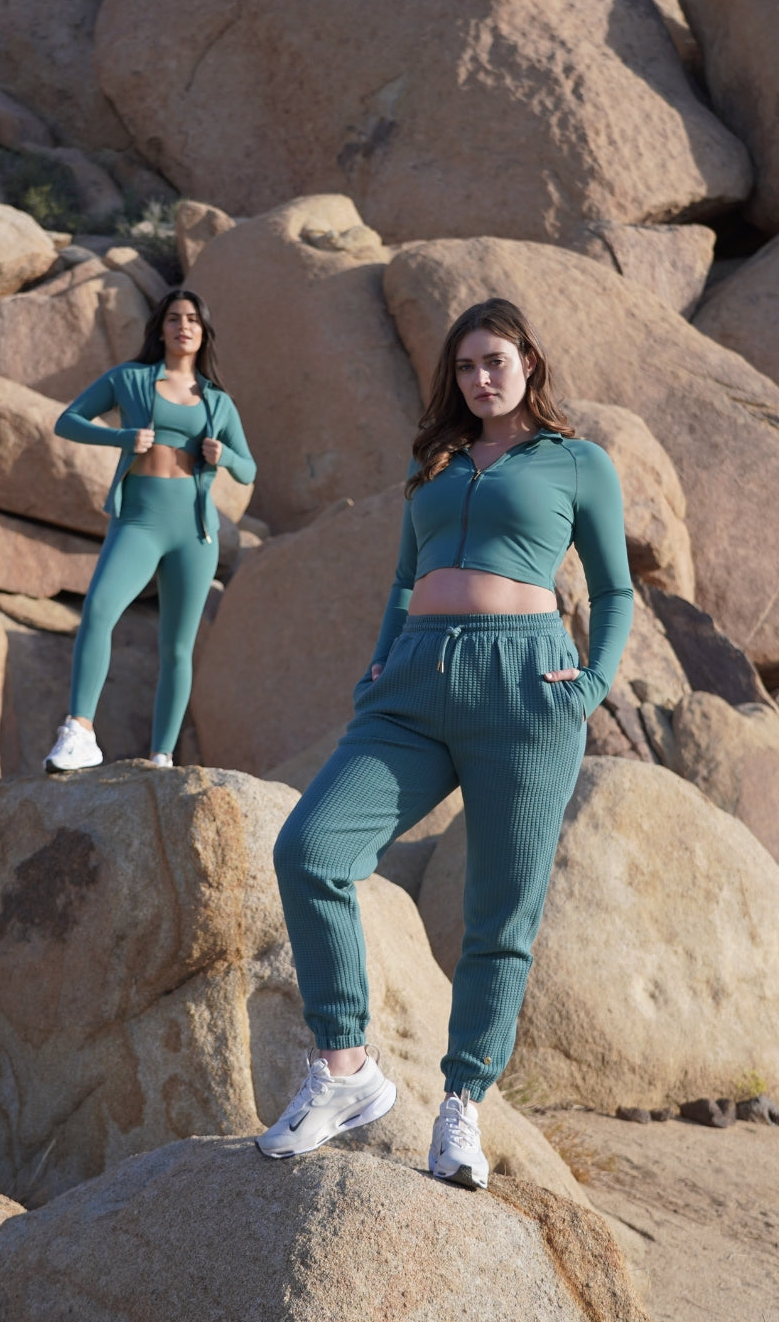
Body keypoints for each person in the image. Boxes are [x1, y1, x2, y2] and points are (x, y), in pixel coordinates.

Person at [257, 298, 632, 1188]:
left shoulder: (577, 463)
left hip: (526, 685)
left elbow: (615, 592)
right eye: (466, 367)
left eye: (495, 360)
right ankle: (345, 1070)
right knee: (311, 849)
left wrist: (588, 687)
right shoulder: (435, 464)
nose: (481, 379)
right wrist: (380, 664)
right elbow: (402, 580)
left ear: (530, 362)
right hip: (415, 685)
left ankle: (462, 1110)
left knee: (500, 915)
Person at [43, 290, 256, 773]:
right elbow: (67, 421)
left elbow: (249, 469)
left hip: (195, 531)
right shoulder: (130, 379)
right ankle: (80, 732)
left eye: (193, 321)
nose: (184, 327)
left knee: (177, 646)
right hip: (138, 519)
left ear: (204, 334)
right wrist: (119, 436)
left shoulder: (218, 401)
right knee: (98, 609)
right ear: (160, 328)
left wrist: (224, 456)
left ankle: (162, 756)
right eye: (175, 319)